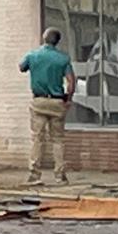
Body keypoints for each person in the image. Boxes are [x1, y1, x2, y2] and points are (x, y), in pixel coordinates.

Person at [19, 27, 76, 185]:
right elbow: (71, 81)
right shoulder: (63, 59)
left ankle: (34, 175)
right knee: (58, 140)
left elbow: (21, 67)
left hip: (39, 101)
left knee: (37, 139)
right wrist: (68, 99)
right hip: (57, 101)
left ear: (44, 38)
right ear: (57, 41)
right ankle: (60, 176)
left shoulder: (33, 55)